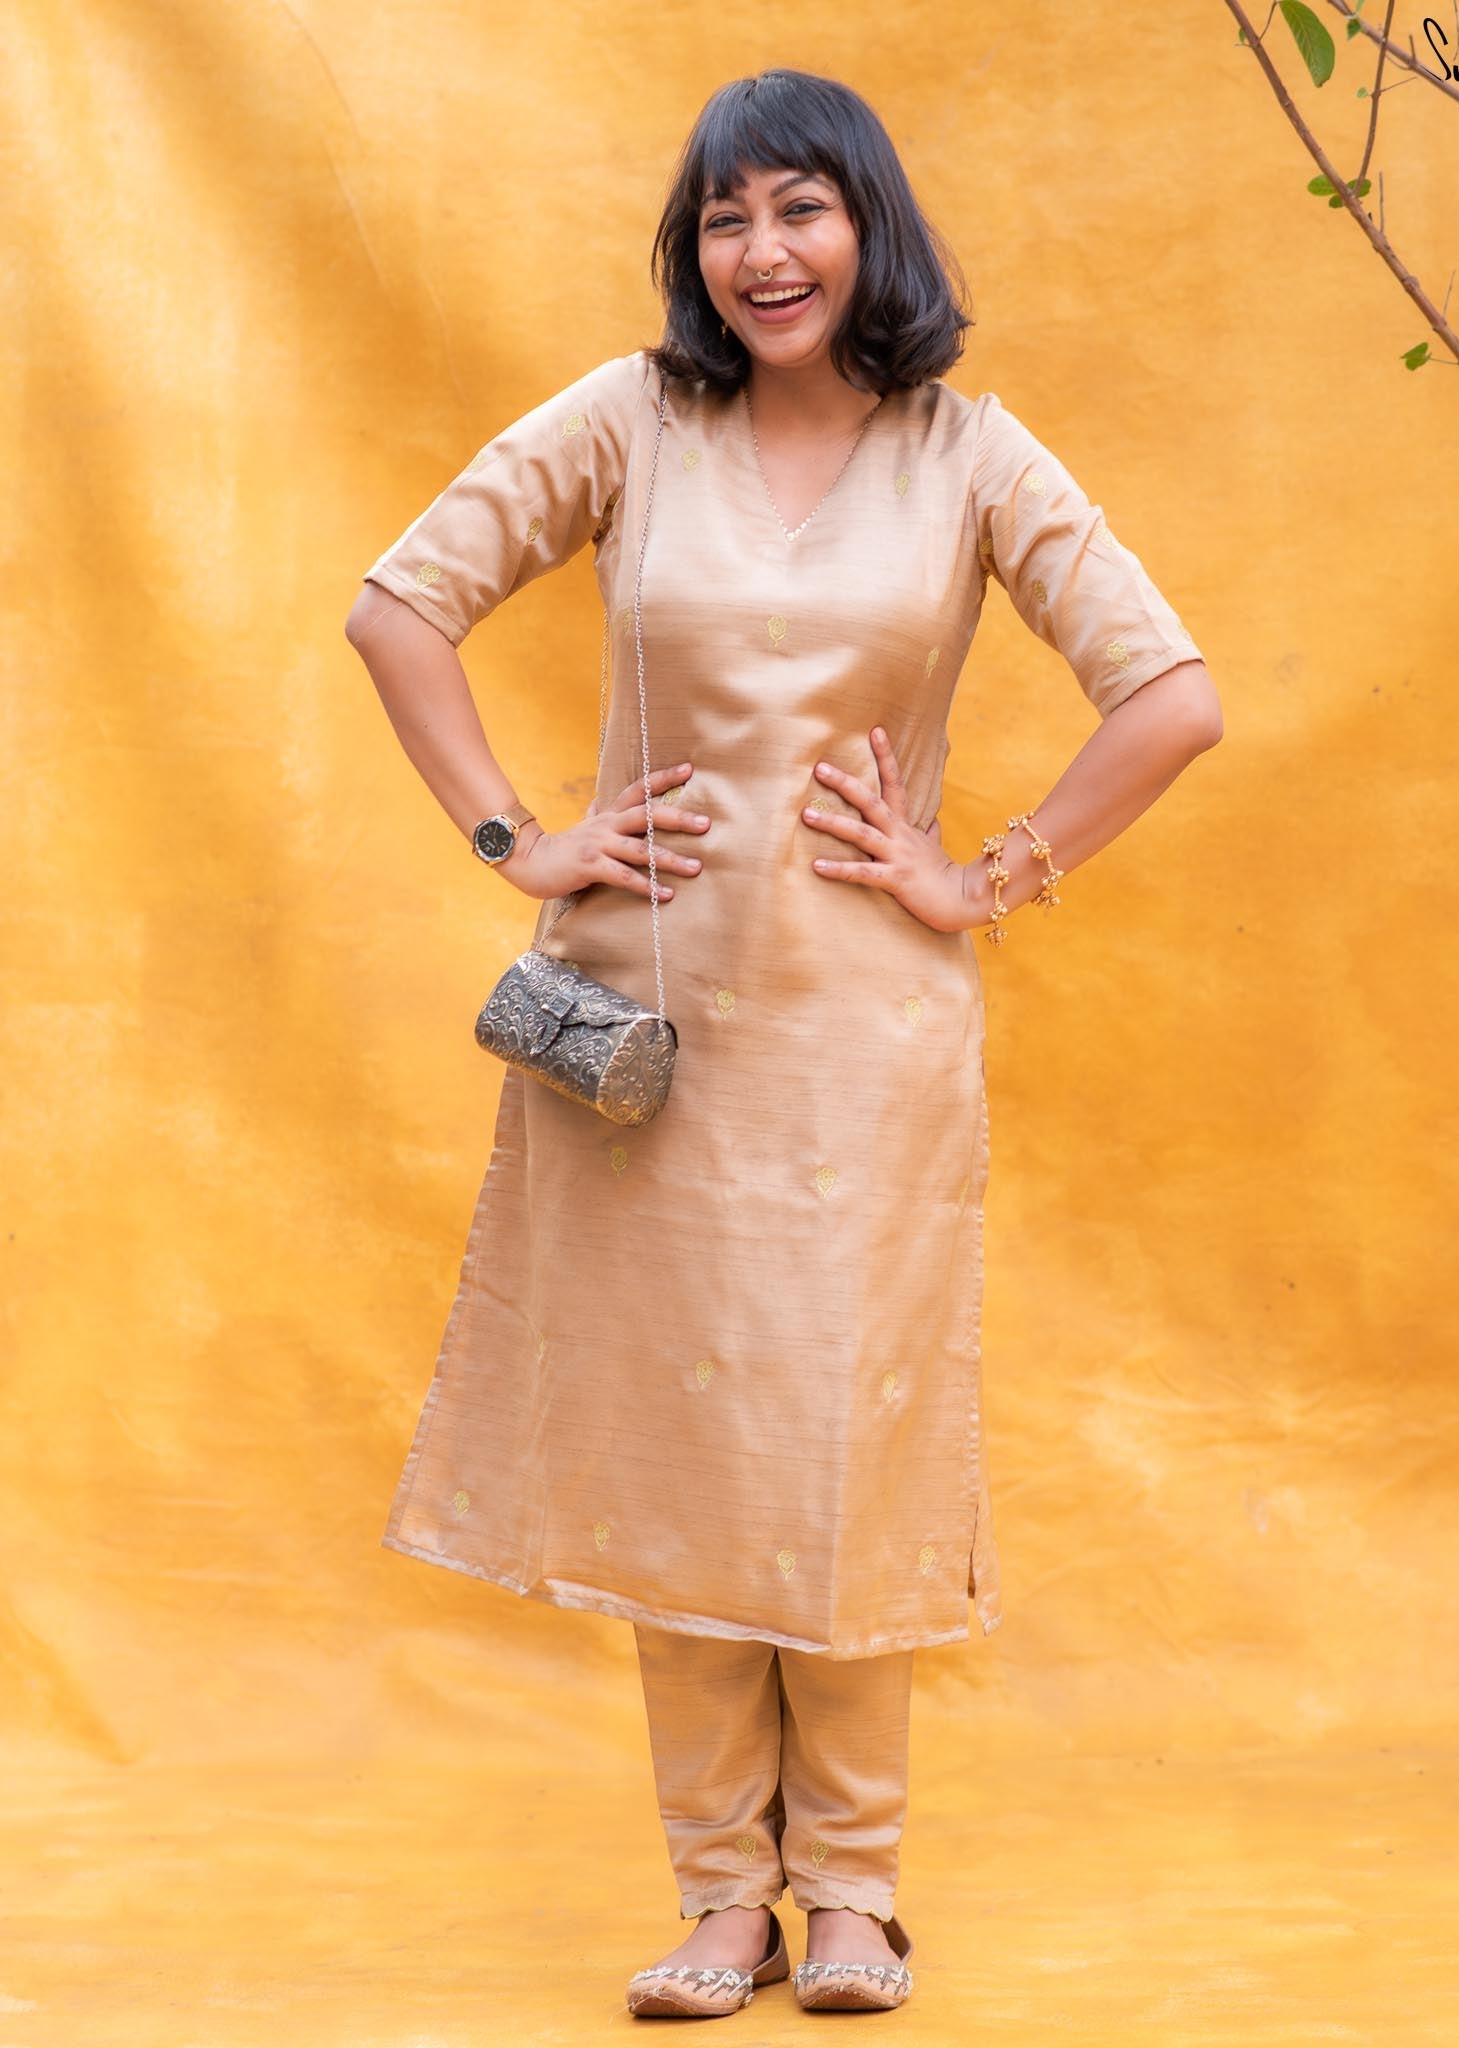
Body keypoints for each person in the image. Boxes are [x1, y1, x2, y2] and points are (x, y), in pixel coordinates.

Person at [344, 66, 1222, 2021]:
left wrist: (981, 878)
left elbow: (1172, 695)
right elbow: (399, 608)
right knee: (675, 1457)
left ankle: (856, 1897)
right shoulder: (630, 423)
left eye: (800, 207)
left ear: (869, 225)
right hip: (638, 1032)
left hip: (862, 1042)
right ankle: (719, 1900)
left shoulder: (968, 455)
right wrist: (519, 838)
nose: (763, 251)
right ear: (696, 250)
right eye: (726, 217)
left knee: (839, 1450)